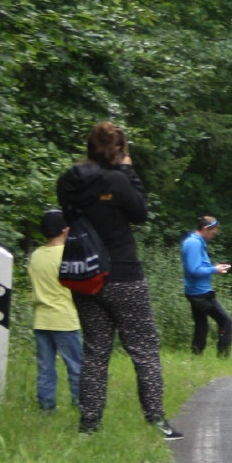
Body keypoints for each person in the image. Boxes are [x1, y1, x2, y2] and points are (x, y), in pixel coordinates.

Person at [57, 121, 182, 440]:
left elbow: (68, 215)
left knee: (95, 352)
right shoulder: (117, 179)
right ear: (118, 149)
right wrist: (128, 170)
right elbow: (140, 213)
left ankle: (89, 427)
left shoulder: (69, 181)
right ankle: (157, 421)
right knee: (144, 349)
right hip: (123, 274)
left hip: (85, 274)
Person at [29, 207, 83, 412]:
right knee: (76, 366)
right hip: (64, 318)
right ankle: (81, 405)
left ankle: (46, 407)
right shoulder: (69, 254)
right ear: (65, 230)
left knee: (45, 367)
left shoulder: (36, 255)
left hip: (41, 319)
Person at [181, 215, 232, 357]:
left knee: (201, 325)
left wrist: (214, 267)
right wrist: (215, 269)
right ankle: (223, 357)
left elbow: (198, 266)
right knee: (225, 321)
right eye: (213, 231)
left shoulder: (196, 241)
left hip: (196, 291)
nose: (214, 234)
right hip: (200, 294)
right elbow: (194, 270)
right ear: (205, 228)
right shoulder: (194, 243)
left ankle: (196, 355)